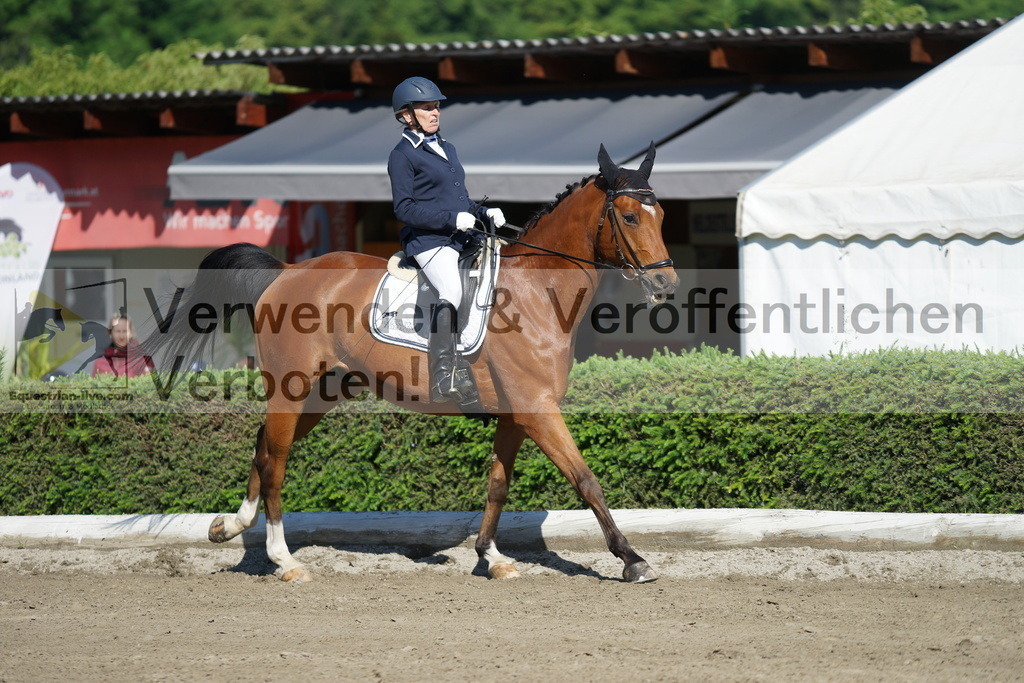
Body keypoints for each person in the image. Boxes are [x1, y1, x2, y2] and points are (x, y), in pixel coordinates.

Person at [387, 76, 505, 402]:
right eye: (426, 108)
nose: (435, 112)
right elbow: (404, 208)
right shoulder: (402, 155)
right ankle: (444, 374)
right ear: (407, 115)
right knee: (451, 289)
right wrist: (451, 219)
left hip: (460, 237)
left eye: (436, 106)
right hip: (429, 241)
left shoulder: (447, 147)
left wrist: (483, 211)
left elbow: (458, 200)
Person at [92, 313, 154, 378]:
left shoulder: (142, 359)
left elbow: (149, 382)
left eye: (124, 331)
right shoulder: (100, 361)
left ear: (131, 332)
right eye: (118, 331)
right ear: (110, 332)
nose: (121, 336)